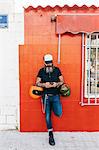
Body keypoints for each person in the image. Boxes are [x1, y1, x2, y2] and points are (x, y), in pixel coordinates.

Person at [36, 54, 64, 146]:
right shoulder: (41, 71)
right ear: (44, 62)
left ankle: (53, 107)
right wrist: (45, 85)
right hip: (46, 96)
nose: (49, 65)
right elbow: (37, 83)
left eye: (50, 63)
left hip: (56, 96)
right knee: (47, 116)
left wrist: (57, 84)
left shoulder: (57, 70)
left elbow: (62, 81)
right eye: (47, 63)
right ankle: (50, 134)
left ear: (52, 62)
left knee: (59, 113)